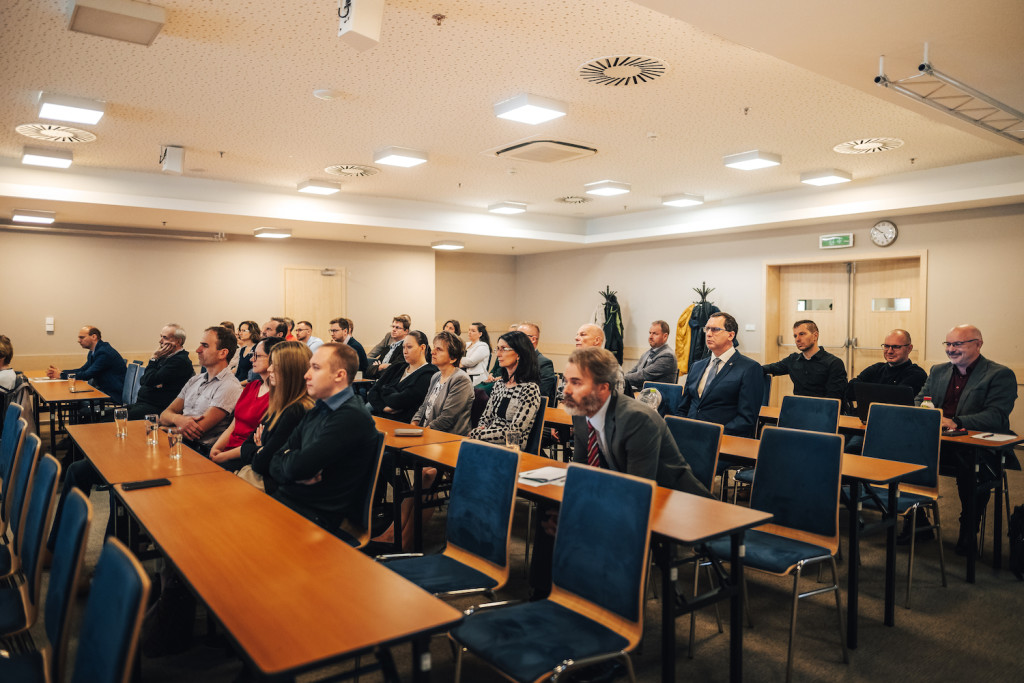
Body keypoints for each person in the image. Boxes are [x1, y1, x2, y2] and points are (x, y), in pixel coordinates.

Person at [530, 346, 712, 599]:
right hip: (624, 488)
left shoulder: (637, 419)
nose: (566, 390)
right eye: (565, 381)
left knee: (579, 517)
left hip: (670, 500)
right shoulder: (581, 411)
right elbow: (582, 468)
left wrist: (581, 513)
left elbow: (637, 489)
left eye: (575, 382)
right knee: (550, 506)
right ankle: (546, 595)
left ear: (603, 388)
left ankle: (602, 605)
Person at [916, 324, 1018, 554]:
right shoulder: (938, 371)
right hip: (940, 440)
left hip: (981, 446)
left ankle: (969, 525)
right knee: (902, 452)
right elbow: (919, 400)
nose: (951, 349)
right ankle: (919, 519)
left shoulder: (999, 374)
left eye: (958, 344)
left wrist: (957, 422)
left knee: (969, 463)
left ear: (978, 344)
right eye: (948, 344)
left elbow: (996, 415)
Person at [266, 343, 379, 532]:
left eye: (315, 368)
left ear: (339, 375)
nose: (306, 375)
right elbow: (274, 461)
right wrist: (291, 462)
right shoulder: (318, 408)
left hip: (316, 516)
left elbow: (298, 467)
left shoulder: (350, 417)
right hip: (289, 502)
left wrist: (291, 461)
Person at [377, 331, 475, 547]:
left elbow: (446, 420)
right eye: (434, 347)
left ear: (453, 356)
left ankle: (407, 538)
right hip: (427, 440)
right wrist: (413, 426)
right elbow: (422, 409)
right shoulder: (435, 376)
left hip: (448, 443)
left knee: (427, 475)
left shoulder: (461, 380)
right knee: (399, 464)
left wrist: (420, 435)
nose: (433, 352)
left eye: (439, 349)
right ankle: (394, 532)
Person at [239, 341, 314, 494]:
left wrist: (260, 449)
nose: (270, 368)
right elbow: (245, 446)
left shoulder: (296, 410)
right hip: (262, 479)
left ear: (291, 370)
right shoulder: (281, 404)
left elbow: (263, 464)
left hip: (274, 487)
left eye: (275, 364)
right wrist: (260, 450)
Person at [677, 312, 764, 438]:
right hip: (688, 434)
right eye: (707, 329)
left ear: (731, 335)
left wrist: (713, 434)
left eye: (715, 329)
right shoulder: (697, 366)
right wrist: (680, 427)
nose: (708, 334)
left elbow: (746, 419)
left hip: (722, 438)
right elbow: (683, 408)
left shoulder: (749, 368)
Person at [160, 326, 243, 453]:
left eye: (205, 346)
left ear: (223, 353)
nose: (198, 350)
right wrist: (178, 419)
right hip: (179, 442)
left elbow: (196, 431)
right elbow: (164, 415)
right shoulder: (195, 380)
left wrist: (164, 429)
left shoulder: (229, 386)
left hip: (200, 450)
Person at [209, 337, 285, 470]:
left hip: (245, 457)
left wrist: (223, 456)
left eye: (258, 356)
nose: (251, 359)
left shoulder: (278, 397)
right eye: (252, 355)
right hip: (226, 450)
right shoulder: (252, 386)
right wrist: (216, 448)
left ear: (274, 359)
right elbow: (234, 424)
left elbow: (256, 444)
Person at [468, 330, 542, 445]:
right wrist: (480, 431)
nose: (498, 354)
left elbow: (515, 433)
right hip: (486, 441)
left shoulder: (530, 389)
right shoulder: (499, 384)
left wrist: (478, 435)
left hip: (511, 448)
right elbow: (485, 419)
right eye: (497, 349)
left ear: (519, 353)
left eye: (504, 349)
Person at [762, 319, 847, 399]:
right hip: (800, 408)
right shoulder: (793, 360)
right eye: (795, 336)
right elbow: (769, 368)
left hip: (823, 411)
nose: (797, 339)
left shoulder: (834, 363)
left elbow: (834, 399)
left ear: (815, 336)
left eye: (802, 334)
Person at [366, 330, 438, 423]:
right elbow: (373, 392)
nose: (405, 351)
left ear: (422, 347)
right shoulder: (397, 366)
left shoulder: (429, 373)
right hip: (380, 418)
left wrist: (384, 389)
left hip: (402, 423)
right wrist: (384, 408)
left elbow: (399, 401)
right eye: (403, 347)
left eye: (409, 347)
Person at [129, 324, 195, 419]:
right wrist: (153, 381)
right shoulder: (165, 357)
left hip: (157, 409)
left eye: (165, 338)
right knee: (103, 415)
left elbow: (149, 380)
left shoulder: (180, 361)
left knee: (110, 419)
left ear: (178, 341)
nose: (160, 341)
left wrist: (153, 359)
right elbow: (143, 381)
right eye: (161, 336)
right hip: (143, 405)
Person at [846, 328, 928, 403]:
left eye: (896, 347)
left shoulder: (916, 374)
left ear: (909, 349)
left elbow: (896, 400)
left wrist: (867, 391)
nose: (889, 351)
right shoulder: (876, 368)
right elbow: (850, 390)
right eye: (886, 346)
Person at [47, 325, 127, 398]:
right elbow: (83, 370)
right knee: (74, 397)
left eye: (82, 338)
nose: (79, 341)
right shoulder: (94, 351)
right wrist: (61, 372)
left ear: (93, 336)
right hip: (102, 390)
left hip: (112, 394)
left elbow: (87, 375)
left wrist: (61, 375)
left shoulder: (104, 353)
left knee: (75, 399)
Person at [624, 320, 677, 393]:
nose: (650, 337)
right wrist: (622, 379)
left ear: (665, 336)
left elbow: (643, 376)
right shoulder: (647, 353)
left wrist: (621, 378)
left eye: (655, 334)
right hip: (642, 394)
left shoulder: (667, 356)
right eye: (650, 333)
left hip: (657, 399)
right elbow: (634, 371)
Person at [518, 322, 557, 403]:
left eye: (519, 336)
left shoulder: (544, 363)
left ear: (533, 339)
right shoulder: (513, 360)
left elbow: (541, 395)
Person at [460, 321, 491, 387]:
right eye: (469, 330)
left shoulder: (483, 346)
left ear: (480, 334)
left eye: (473, 331)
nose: (469, 332)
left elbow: (471, 362)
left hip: (476, 378)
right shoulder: (467, 344)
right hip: (465, 375)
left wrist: (459, 360)